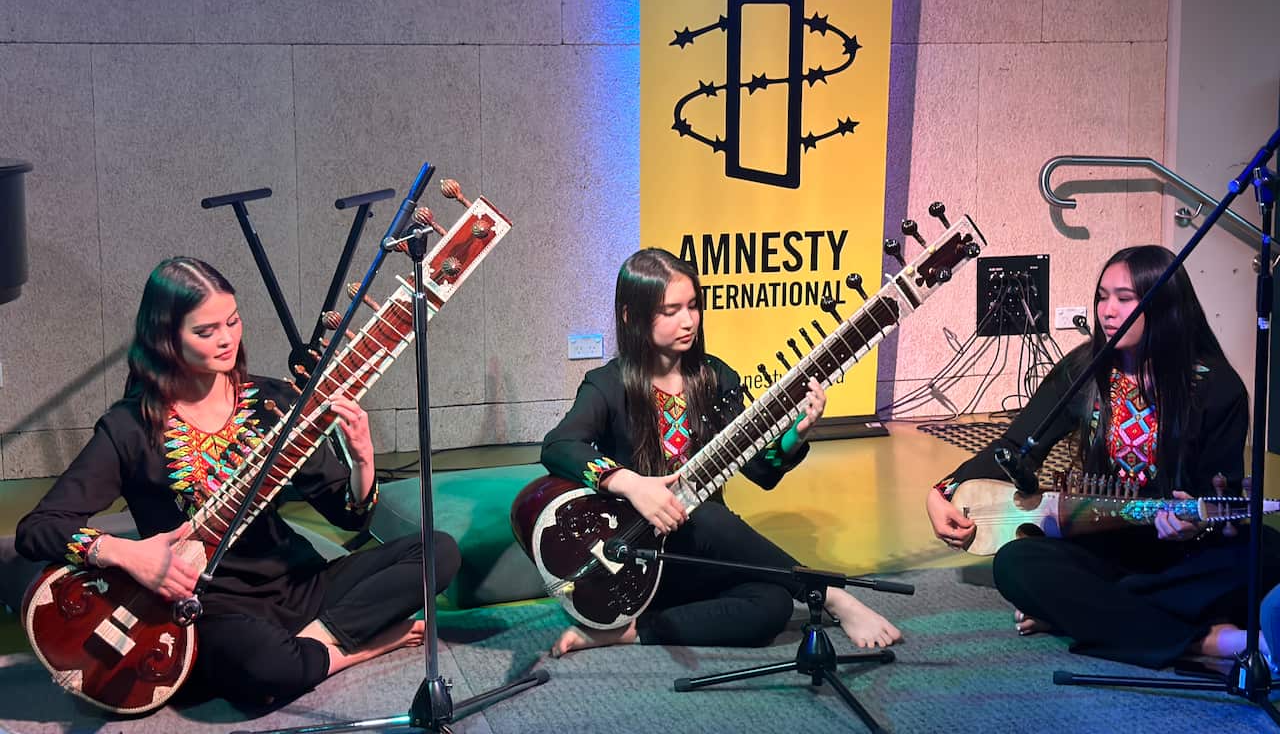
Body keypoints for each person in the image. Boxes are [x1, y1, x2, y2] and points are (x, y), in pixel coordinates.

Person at [17, 257, 460, 705]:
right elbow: (37, 529)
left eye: (232, 321)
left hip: (299, 585)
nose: (227, 338)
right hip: (210, 609)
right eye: (205, 331)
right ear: (165, 338)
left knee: (439, 551)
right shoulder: (131, 429)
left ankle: (314, 644)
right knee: (262, 666)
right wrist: (126, 553)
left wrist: (364, 460)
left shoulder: (274, 404)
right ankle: (358, 645)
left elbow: (347, 517)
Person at [925, 244, 1279, 668]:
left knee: (1266, 552)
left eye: (1124, 299)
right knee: (1015, 564)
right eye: (1101, 296)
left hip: (1183, 553)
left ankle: (1083, 615)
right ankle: (1203, 641)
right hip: (1104, 548)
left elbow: (1217, 496)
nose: (1107, 310)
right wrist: (942, 491)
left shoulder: (1218, 386)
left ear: (1164, 306)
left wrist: (1190, 524)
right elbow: (1016, 447)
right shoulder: (1083, 370)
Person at [541, 247, 901, 656]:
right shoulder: (606, 385)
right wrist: (630, 484)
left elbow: (761, 473)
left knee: (773, 604)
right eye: (671, 310)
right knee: (706, 513)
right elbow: (557, 446)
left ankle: (631, 633)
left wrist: (795, 436)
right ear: (631, 315)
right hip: (638, 562)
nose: (688, 321)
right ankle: (829, 592)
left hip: (701, 555)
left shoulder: (716, 378)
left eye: (694, 306)